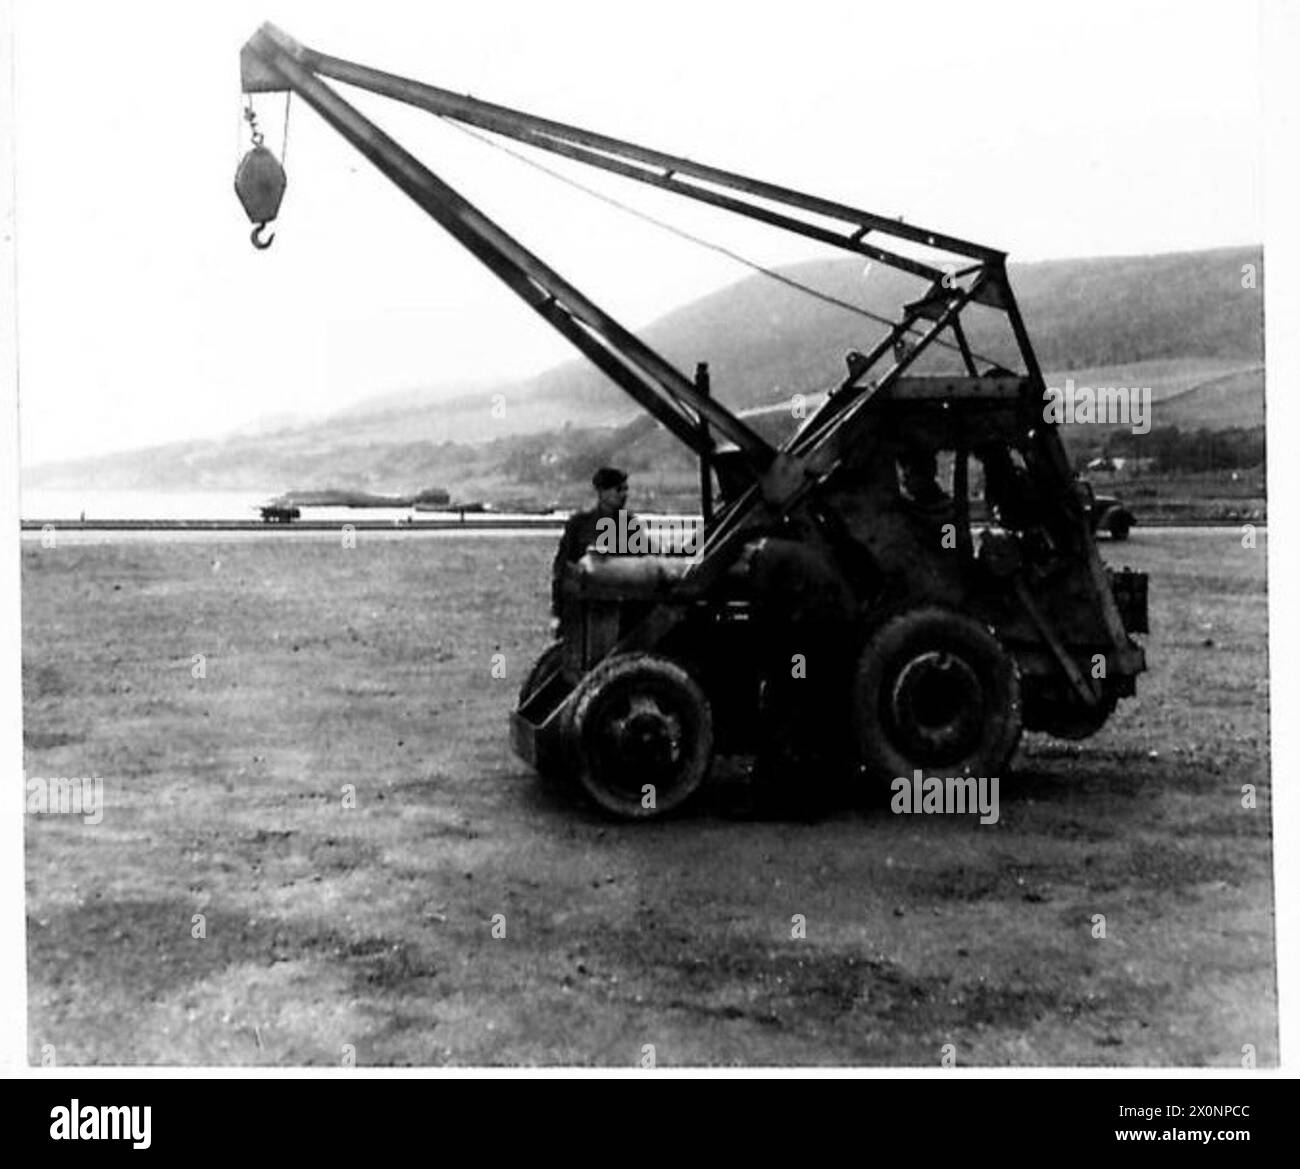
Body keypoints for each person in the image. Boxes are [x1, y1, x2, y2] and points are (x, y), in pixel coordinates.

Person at [551, 466, 636, 616]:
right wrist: (558, 611)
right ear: (602, 492)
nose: (624, 495)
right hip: (584, 605)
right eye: (618, 489)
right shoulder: (579, 524)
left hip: (620, 607)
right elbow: (562, 569)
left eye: (626, 489)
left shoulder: (629, 524)